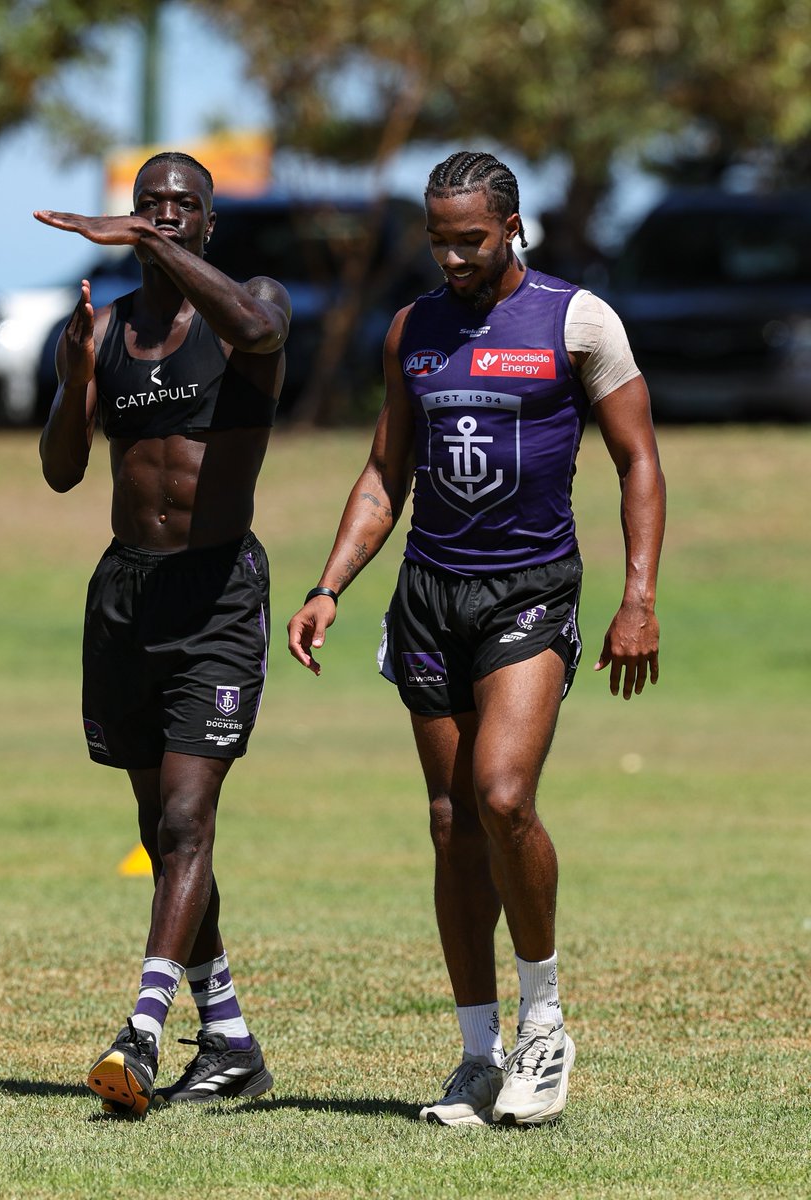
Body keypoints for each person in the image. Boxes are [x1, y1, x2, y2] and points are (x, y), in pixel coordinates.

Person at [288, 151, 665, 1128]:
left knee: (503, 795)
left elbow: (639, 463)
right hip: (429, 597)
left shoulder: (578, 321)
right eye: (440, 239)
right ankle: (475, 1055)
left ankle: (546, 1026)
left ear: (511, 228)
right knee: (453, 826)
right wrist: (331, 584)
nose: (453, 255)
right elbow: (385, 474)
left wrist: (638, 596)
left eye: (472, 239)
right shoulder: (414, 331)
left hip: (529, 593)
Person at [34, 151, 291, 1118]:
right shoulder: (108, 331)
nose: (167, 216)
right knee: (160, 824)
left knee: (187, 820)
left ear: (209, 223)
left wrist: (149, 246)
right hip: (128, 596)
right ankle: (229, 1039)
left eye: (184, 206)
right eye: (150, 206)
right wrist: (70, 380)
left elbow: (260, 326)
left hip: (218, 593)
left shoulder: (250, 306)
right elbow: (63, 471)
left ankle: (140, 1032)